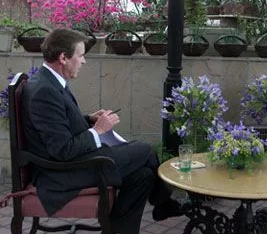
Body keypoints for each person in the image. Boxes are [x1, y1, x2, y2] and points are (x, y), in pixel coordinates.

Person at [21, 28, 183, 234]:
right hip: (63, 172)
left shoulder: (49, 82)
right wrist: (97, 131)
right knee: (144, 150)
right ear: (63, 57)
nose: (84, 61)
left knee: (143, 176)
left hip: (77, 161)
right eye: (80, 55)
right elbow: (62, 150)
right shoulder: (44, 90)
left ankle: (121, 228)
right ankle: (162, 203)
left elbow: (58, 123)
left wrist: (88, 119)